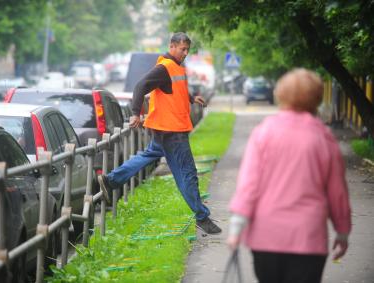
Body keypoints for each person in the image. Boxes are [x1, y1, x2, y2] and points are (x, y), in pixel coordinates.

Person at [227, 68, 352, 283]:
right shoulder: (324, 138)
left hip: (266, 237)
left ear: (280, 94)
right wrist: (342, 232)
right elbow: (337, 192)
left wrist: (237, 226)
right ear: (317, 97)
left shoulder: (263, 133)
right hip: (308, 238)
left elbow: (249, 184)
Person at [99, 32, 221, 234]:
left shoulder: (174, 67)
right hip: (172, 132)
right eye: (182, 49)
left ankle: (111, 180)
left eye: (187, 50)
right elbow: (140, 86)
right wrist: (135, 114)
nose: (185, 53)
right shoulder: (164, 68)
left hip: (166, 129)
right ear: (172, 46)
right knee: (188, 174)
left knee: (147, 156)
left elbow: (175, 90)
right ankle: (202, 217)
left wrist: (192, 98)